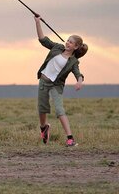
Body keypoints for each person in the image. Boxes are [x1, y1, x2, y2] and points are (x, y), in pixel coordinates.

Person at [34, 15, 88, 147]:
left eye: (71, 42)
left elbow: (78, 73)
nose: (67, 43)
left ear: (76, 47)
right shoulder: (57, 47)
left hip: (56, 86)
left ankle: (70, 139)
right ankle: (44, 128)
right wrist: (38, 22)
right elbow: (43, 40)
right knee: (42, 109)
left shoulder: (73, 61)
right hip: (43, 81)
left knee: (59, 110)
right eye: (68, 40)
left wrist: (79, 81)